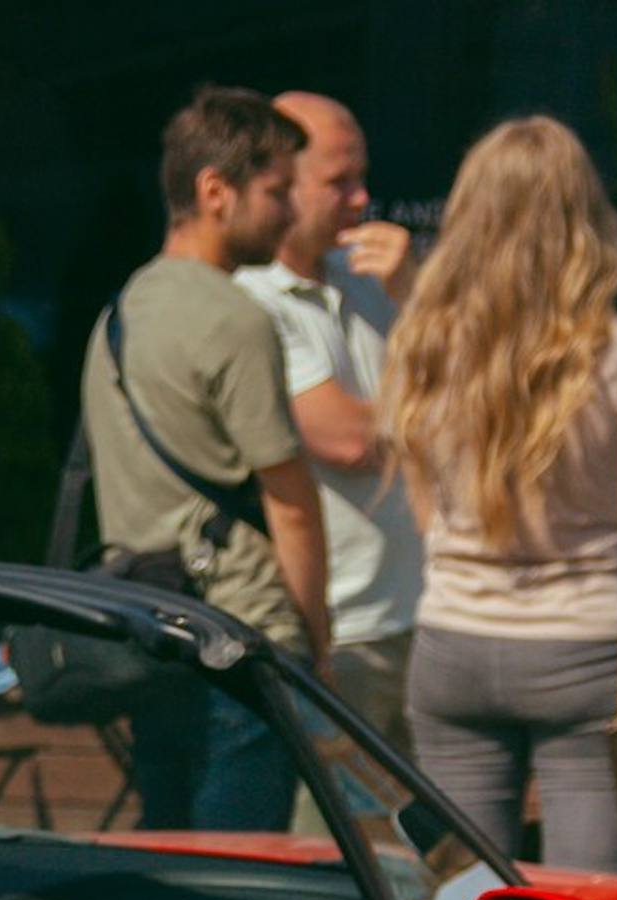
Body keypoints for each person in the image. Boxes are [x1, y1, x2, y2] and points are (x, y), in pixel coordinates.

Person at [382, 116, 617, 871]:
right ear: (583, 216)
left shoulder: (420, 341)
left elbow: (423, 508)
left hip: (453, 640)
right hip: (588, 648)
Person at [79, 87, 330, 828]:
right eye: (277, 190)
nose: (290, 211)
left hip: (151, 630)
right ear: (215, 192)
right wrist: (316, 643)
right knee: (240, 882)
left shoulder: (117, 315)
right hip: (240, 634)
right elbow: (292, 505)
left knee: (172, 865)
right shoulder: (236, 320)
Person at [235, 91, 424, 753]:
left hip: (425, 611)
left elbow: (475, 390)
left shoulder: (373, 278)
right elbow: (346, 437)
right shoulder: (253, 300)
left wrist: (413, 294)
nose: (360, 199)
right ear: (280, 183)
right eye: (337, 181)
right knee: (352, 844)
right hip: (343, 629)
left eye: (363, 177)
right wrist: (440, 410)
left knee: (448, 850)